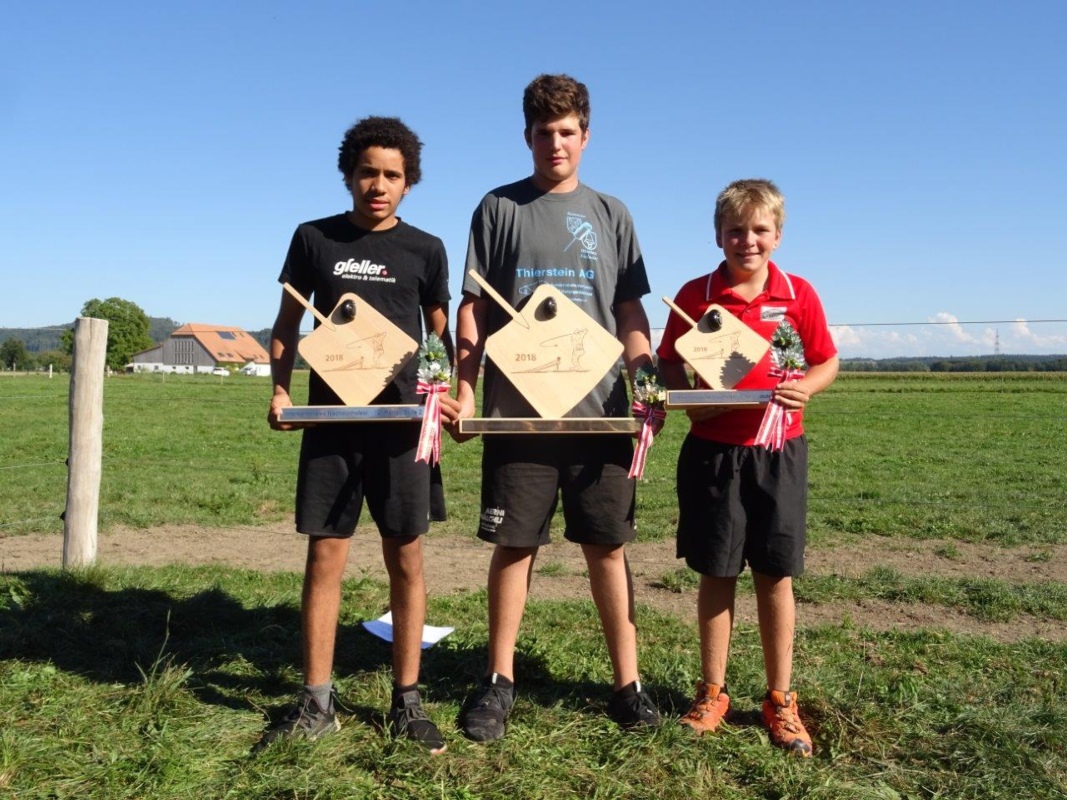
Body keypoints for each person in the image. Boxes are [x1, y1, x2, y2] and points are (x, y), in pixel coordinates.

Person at [451, 73, 661, 742]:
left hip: (600, 413)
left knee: (608, 548)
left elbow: (629, 311)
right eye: (544, 132)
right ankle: (497, 681)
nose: (556, 143)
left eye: (567, 131)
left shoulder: (612, 213)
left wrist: (644, 376)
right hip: (518, 415)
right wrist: (464, 385)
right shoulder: (498, 208)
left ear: (586, 135)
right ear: (527, 136)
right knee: (514, 547)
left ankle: (627, 685)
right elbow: (472, 309)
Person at [260, 116, 459, 755]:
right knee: (325, 557)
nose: (379, 185)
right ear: (349, 174)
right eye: (368, 172)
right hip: (333, 425)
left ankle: (408, 700)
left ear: (408, 183)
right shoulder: (314, 238)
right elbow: (288, 323)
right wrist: (281, 390)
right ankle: (316, 701)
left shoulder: (426, 248)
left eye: (392, 175)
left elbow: (440, 332)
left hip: (403, 428)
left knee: (407, 558)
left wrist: (445, 391)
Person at [656, 179, 839, 756]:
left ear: (778, 235)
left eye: (760, 230)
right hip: (713, 453)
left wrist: (807, 387)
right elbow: (668, 364)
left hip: (779, 451)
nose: (748, 241)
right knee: (717, 570)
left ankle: (780, 699)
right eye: (736, 230)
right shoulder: (694, 295)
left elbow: (826, 360)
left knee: (775, 574)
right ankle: (712, 692)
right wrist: (688, 399)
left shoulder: (799, 293)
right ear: (718, 235)